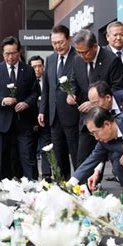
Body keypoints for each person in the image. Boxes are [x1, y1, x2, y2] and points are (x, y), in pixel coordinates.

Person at [69, 29, 123, 167]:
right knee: (82, 157)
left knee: (117, 159)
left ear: (94, 46)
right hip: (87, 119)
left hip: (107, 119)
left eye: (85, 52)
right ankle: (82, 186)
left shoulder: (112, 60)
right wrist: (71, 93)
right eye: (78, 52)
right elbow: (74, 81)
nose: (82, 56)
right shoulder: (77, 60)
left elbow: (117, 89)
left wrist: (95, 103)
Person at [0, 36, 40, 180]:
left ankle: (32, 185)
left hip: (23, 122)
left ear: (19, 52)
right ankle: (2, 188)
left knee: (27, 156)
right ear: (2, 53)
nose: (10, 57)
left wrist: (26, 103)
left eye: (13, 53)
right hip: (2, 122)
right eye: (6, 54)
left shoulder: (28, 70)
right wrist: (3, 101)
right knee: (3, 159)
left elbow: (35, 92)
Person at [38, 25, 79, 180]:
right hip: (54, 116)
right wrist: (42, 110)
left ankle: (81, 184)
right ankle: (62, 183)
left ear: (68, 39)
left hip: (72, 114)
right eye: (54, 43)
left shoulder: (78, 57)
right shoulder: (50, 59)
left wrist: (74, 95)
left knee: (76, 153)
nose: (57, 46)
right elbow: (47, 89)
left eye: (61, 42)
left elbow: (81, 83)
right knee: (59, 154)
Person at [28, 55, 51, 180]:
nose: (37, 69)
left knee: (46, 148)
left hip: (45, 120)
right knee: (31, 150)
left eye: (39, 66)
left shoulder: (47, 80)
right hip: (30, 121)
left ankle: (47, 175)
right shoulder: (27, 81)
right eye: (34, 67)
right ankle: (33, 176)